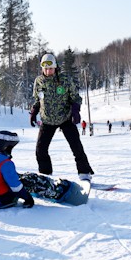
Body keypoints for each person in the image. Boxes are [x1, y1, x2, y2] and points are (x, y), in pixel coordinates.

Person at [30, 53, 94, 181]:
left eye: (51, 68)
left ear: (55, 67)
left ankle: (84, 173)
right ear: (42, 68)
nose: (48, 71)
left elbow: (76, 97)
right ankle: (45, 175)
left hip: (65, 118)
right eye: (46, 69)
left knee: (76, 146)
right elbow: (38, 99)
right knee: (40, 149)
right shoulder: (39, 81)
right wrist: (33, 112)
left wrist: (75, 111)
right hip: (47, 120)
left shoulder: (64, 79)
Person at [0, 131, 35, 207]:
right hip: (3, 199)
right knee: (26, 181)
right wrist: (28, 198)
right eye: (10, 147)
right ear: (4, 146)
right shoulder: (6, 163)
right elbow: (16, 187)